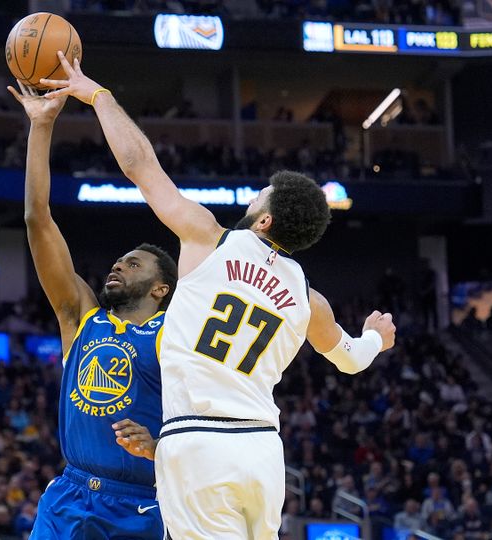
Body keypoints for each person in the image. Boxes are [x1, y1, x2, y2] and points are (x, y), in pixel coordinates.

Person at [41, 52, 396, 539]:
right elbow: (352, 359)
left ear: (265, 219)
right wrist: (376, 336)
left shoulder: (209, 238)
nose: (254, 196)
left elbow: (138, 162)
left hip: (198, 443)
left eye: (261, 196)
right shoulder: (309, 299)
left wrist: (97, 95)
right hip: (262, 452)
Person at [7, 81, 177, 539]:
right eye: (119, 259)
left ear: (161, 288)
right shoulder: (81, 315)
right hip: (69, 494)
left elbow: (203, 425)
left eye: (134, 263)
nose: (119, 264)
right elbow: (36, 218)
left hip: (141, 503)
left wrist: (161, 447)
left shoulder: (175, 334)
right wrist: (41, 127)